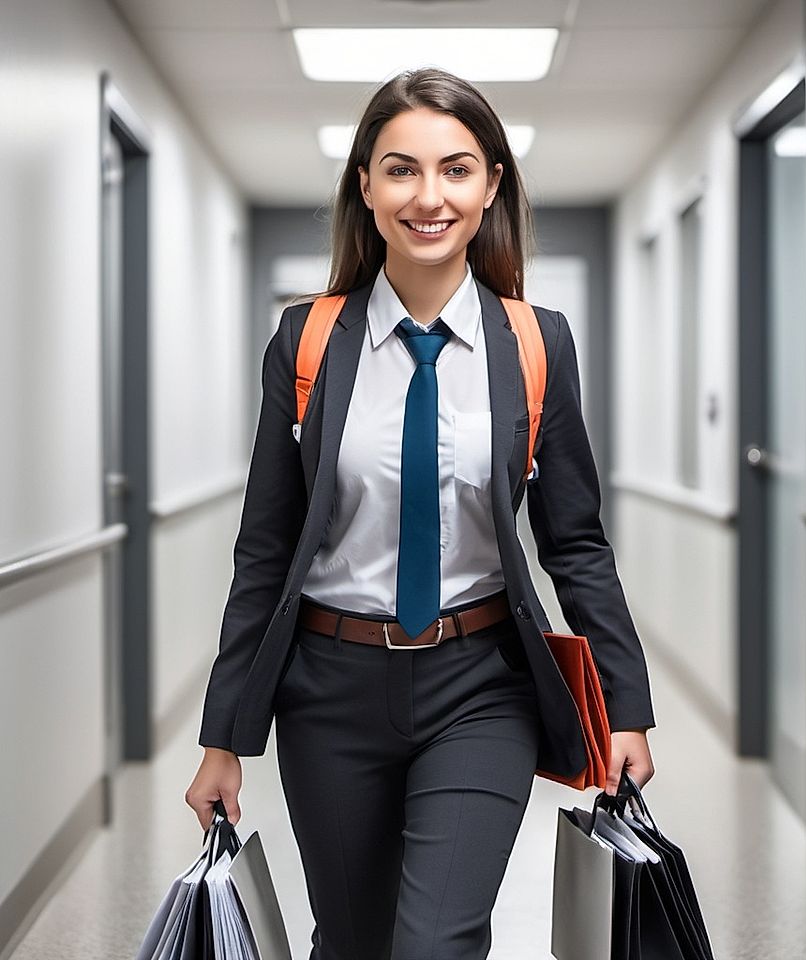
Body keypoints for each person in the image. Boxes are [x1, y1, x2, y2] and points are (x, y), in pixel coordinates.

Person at [185, 66, 656, 960]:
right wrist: (223, 738)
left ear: (491, 189)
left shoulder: (535, 342)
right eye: (400, 169)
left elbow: (577, 542)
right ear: (364, 186)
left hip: (482, 684)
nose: (428, 195)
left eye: (456, 169)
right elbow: (265, 551)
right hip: (329, 690)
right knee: (354, 943)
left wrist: (625, 705)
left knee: (438, 941)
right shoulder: (308, 340)